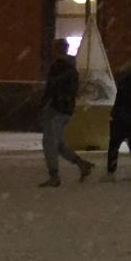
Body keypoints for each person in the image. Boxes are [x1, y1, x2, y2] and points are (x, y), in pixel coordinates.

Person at [38, 46, 91, 187]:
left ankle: (54, 175)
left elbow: (51, 88)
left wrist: (46, 103)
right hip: (66, 109)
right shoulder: (72, 69)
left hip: (55, 109)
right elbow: (72, 90)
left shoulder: (58, 67)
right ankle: (81, 164)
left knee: (50, 143)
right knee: (58, 143)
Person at [106, 59, 131, 177]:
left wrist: (115, 113)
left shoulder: (125, 82)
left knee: (114, 144)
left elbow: (120, 100)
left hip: (122, 117)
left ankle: (111, 169)